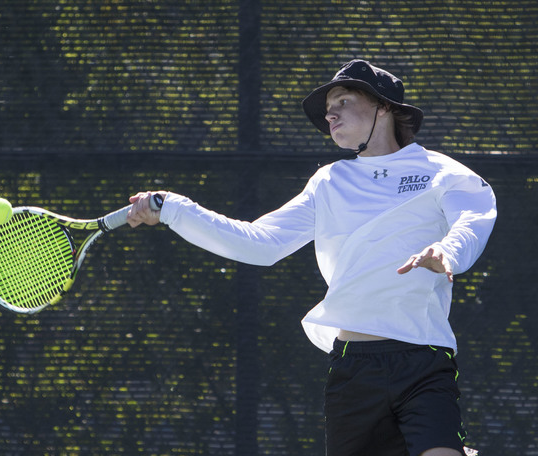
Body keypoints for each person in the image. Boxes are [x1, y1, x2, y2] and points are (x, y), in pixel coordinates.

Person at [126, 59, 496, 456]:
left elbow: (473, 217)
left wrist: (448, 250)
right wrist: (175, 209)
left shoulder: (442, 172)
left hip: (423, 360)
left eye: (343, 100)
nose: (330, 113)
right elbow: (261, 242)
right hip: (353, 369)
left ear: (383, 107)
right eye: (328, 108)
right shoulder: (328, 182)